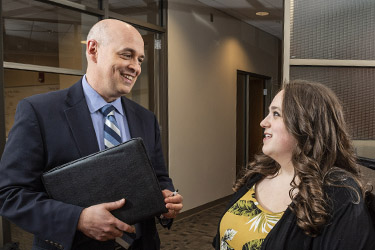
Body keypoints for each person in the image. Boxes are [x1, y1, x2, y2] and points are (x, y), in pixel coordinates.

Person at [0, 19, 183, 250]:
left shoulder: (145, 118)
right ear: (93, 50)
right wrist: (78, 219)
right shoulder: (39, 112)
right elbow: (11, 194)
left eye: (139, 59)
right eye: (127, 55)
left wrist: (167, 198)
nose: (136, 67)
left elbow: (159, 177)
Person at [213, 80, 375, 250]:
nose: (263, 122)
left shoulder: (339, 194)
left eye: (276, 114)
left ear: (306, 124)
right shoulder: (257, 175)